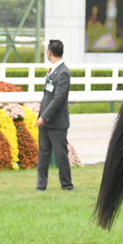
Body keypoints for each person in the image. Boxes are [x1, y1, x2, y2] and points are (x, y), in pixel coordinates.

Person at [36, 40, 73, 191]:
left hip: (56, 122)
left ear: (50, 52)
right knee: (43, 155)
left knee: (60, 156)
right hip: (45, 121)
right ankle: (41, 186)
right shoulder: (52, 70)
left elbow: (59, 98)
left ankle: (67, 185)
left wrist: (44, 117)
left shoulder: (63, 72)